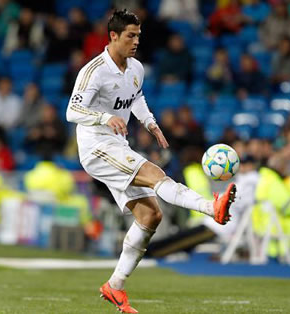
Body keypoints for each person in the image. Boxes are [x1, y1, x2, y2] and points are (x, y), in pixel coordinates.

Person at [65, 10, 237, 313]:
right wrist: (105, 117)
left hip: (117, 144)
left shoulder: (136, 68)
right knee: (156, 174)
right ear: (113, 36)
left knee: (150, 216)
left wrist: (150, 123)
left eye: (138, 36)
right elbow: (72, 111)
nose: (136, 41)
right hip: (95, 146)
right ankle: (212, 208)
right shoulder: (94, 71)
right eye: (130, 36)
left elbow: (137, 97)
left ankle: (115, 286)